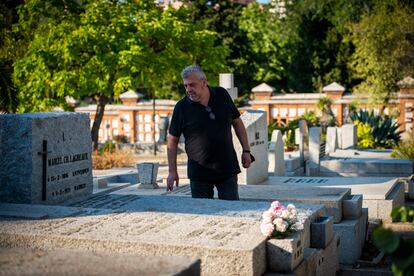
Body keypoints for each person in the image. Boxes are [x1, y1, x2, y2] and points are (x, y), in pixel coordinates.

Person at [166, 65, 252, 200]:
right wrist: (172, 171)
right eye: (186, 86)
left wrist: (246, 150)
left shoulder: (222, 95)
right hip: (199, 172)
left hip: (226, 168)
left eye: (192, 85)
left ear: (204, 82)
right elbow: (172, 140)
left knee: (232, 210)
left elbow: (237, 122)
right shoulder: (181, 107)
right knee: (203, 214)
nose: (188, 89)